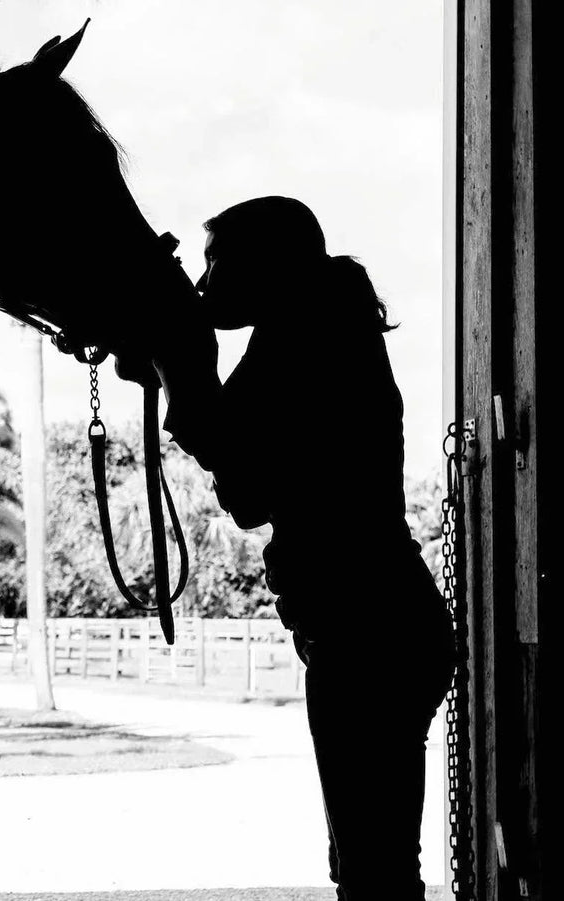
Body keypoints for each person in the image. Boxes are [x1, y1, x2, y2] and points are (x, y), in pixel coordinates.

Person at [193, 196, 455, 901]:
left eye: (215, 262)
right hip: (379, 623)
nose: (202, 282)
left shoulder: (295, 340)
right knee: (374, 862)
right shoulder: (321, 327)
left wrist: (183, 374)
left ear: (263, 266)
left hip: (362, 631)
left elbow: (245, 493)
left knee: (371, 870)